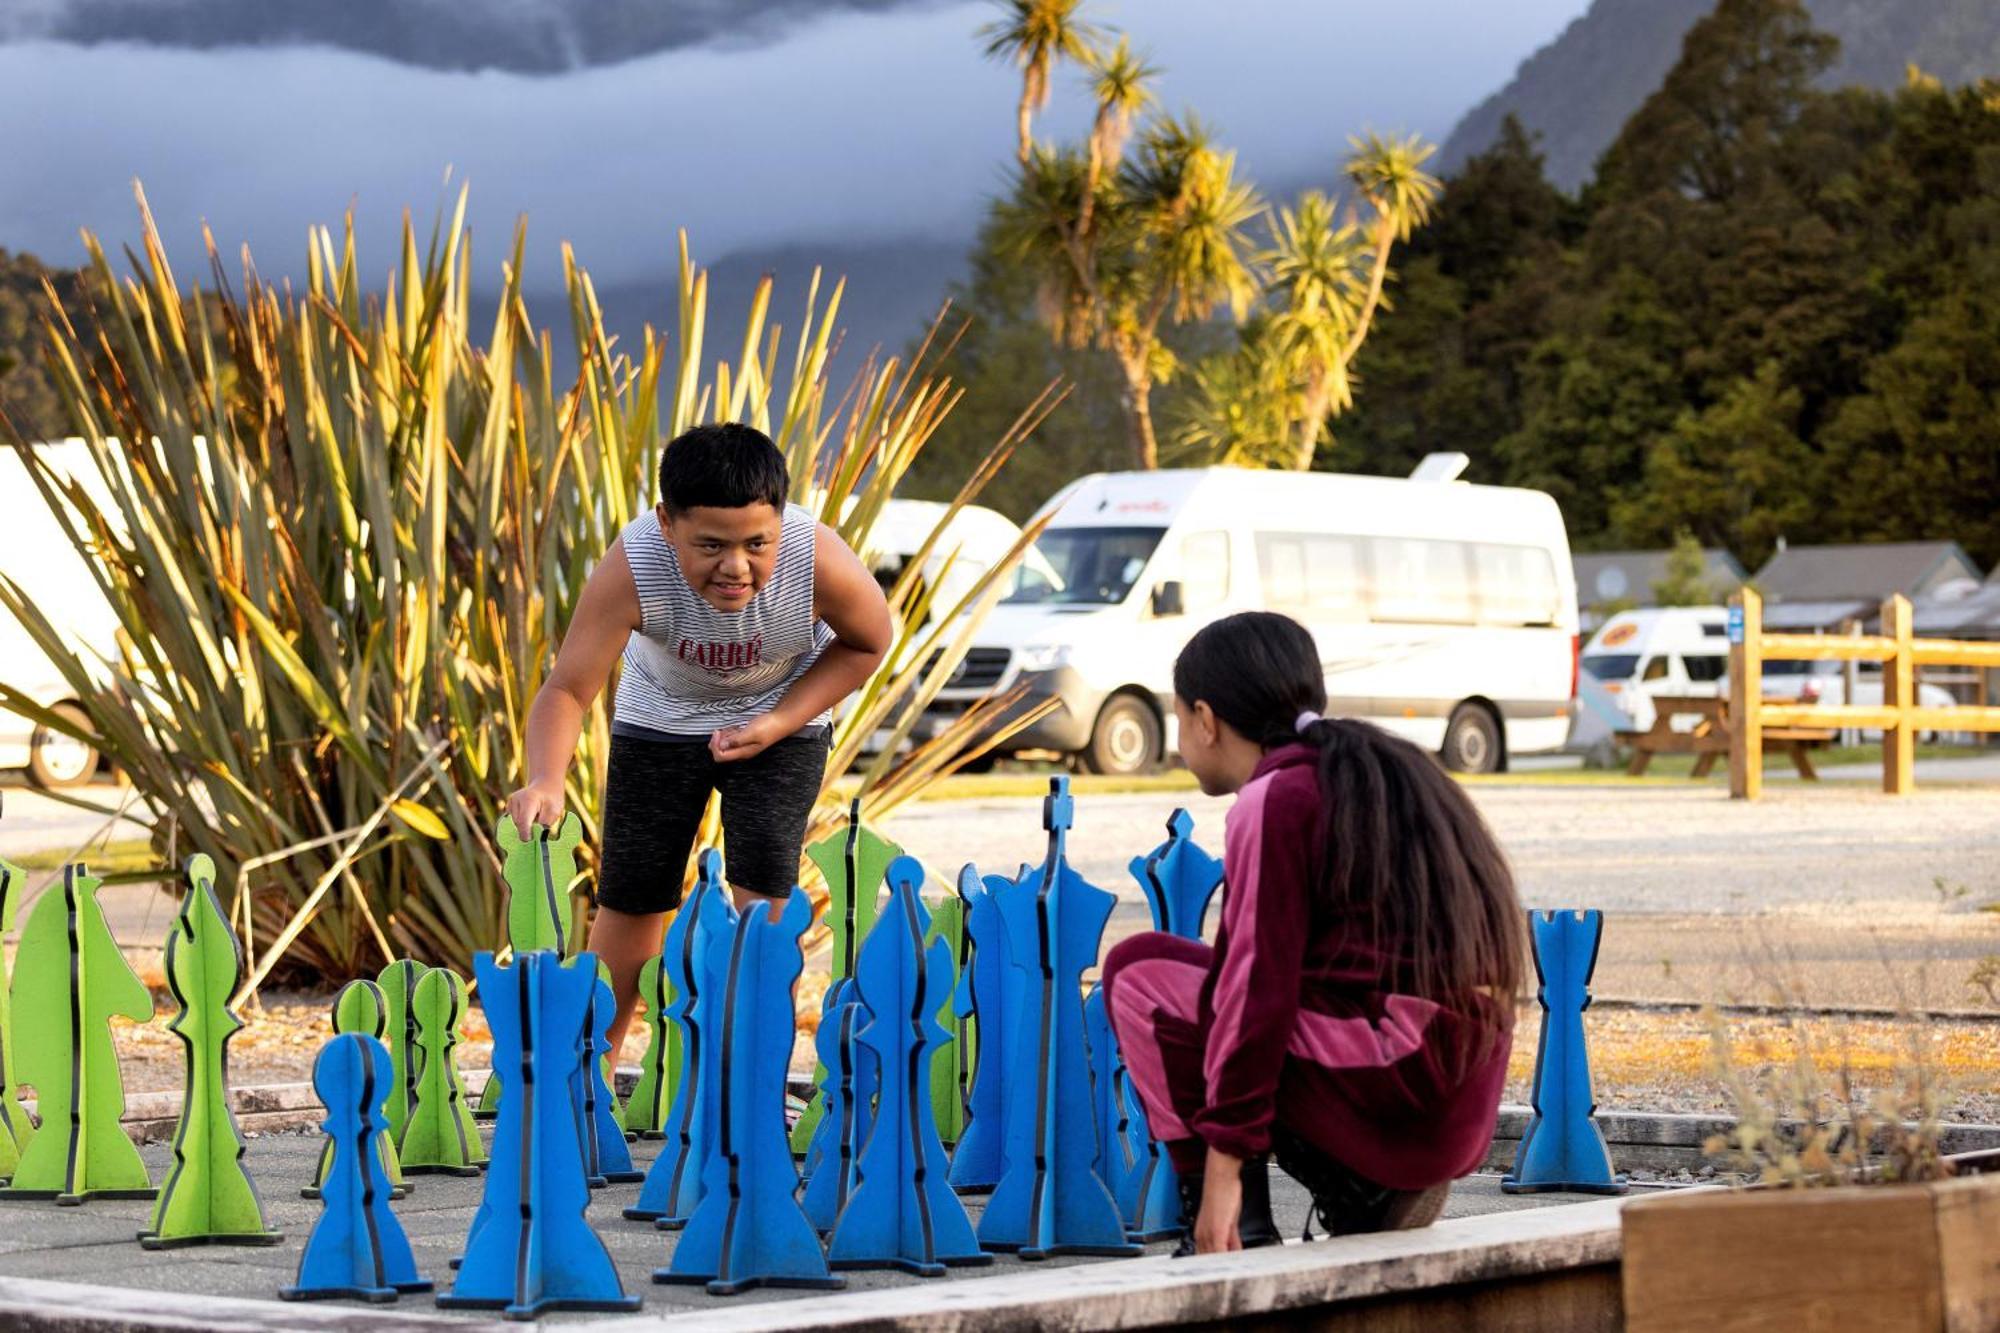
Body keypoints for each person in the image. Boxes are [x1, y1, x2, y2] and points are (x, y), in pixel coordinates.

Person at [1102, 611, 1523, 1255]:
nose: (1179, 740)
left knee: (1141, 976)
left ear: (1207, 721)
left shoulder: (1275, 798)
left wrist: (1219, 1173)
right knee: (1221, 996)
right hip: (1449, 1095)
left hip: (1399, 1093)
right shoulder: (1372, 769)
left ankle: (1245, 1223)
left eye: (1179, 718)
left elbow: (1252, 993)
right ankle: (1357, 1179)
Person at [505, 421, 892, 1054]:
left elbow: (869, 642)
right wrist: (546, 777)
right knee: (632, 897)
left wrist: (776, 723)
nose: (735, 567)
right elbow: (568, 689)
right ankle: (586, 1078)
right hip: (660, 716)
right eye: (710, 545)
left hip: (781, 717)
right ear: (666, 522)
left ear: (781, 520)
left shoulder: (816, 557)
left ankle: (752, 1080)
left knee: (763, 897)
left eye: (756, 544)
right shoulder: (632, 567)